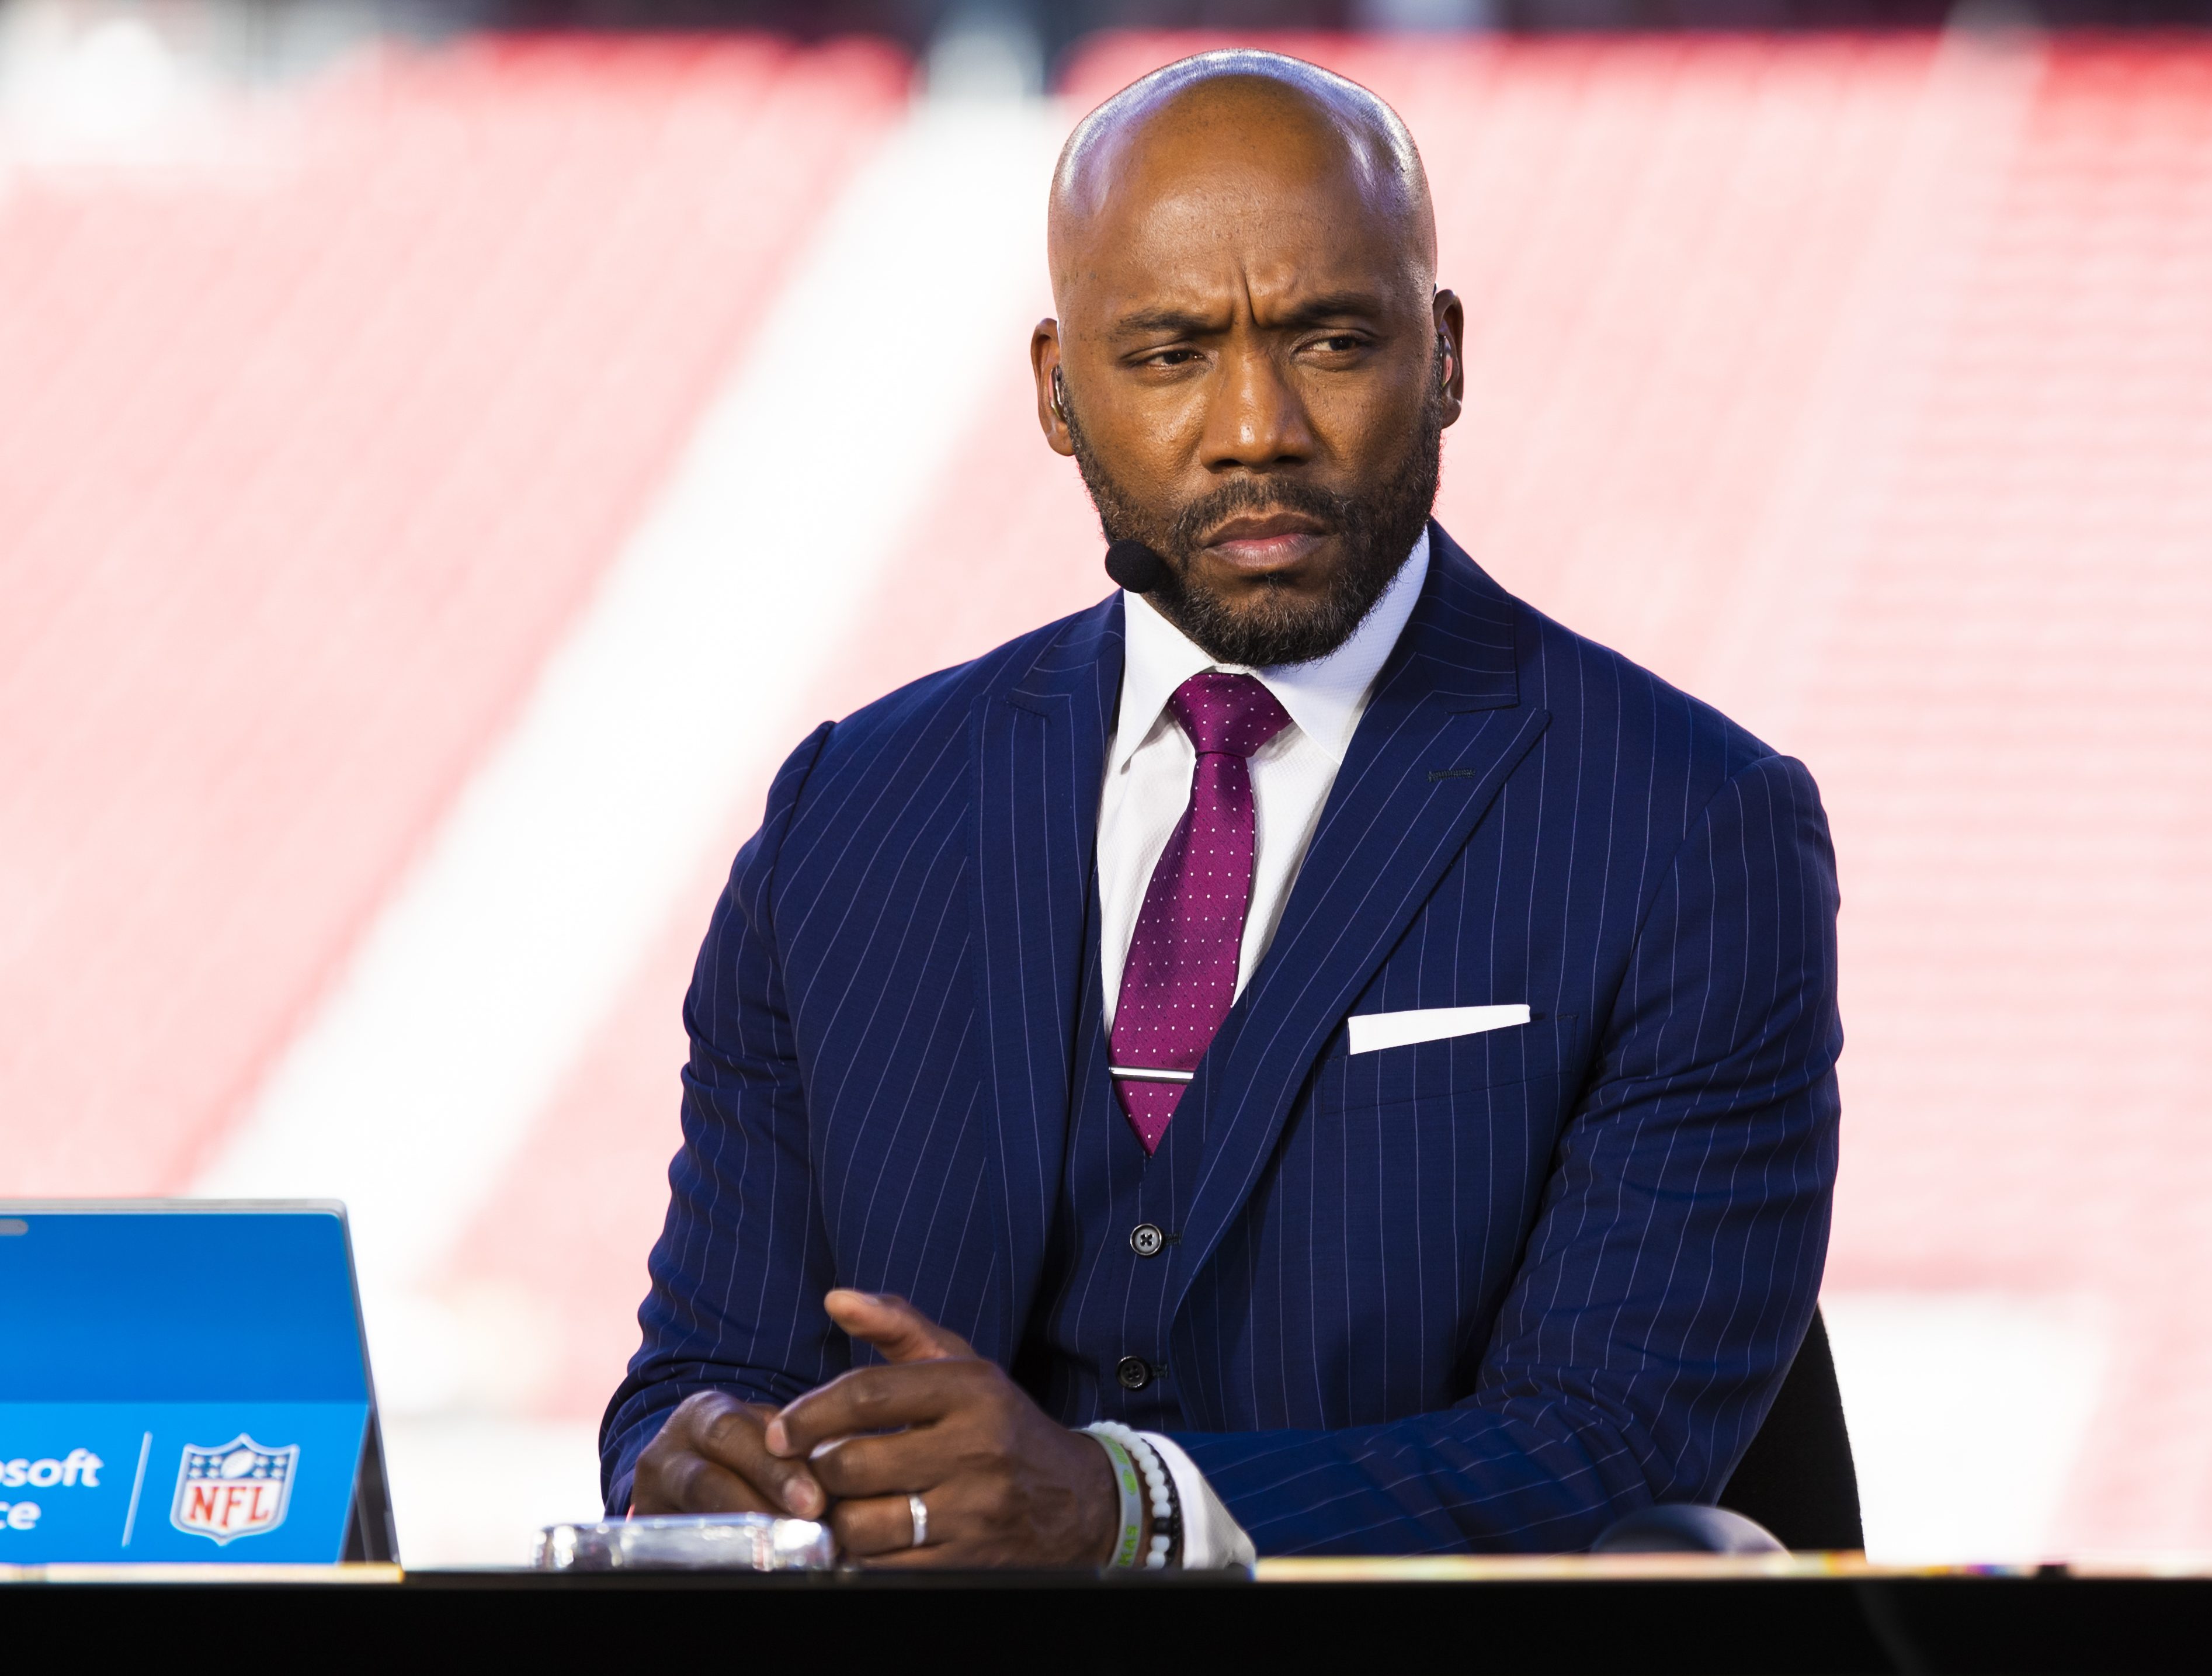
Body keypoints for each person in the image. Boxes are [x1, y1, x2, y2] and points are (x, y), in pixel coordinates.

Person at [599, 48, 1841, 1567]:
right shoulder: (843, 816)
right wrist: (710, 1465)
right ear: (1058, 393)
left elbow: (1613, 1441)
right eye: (1171, 354)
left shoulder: (1688, 829)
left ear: (1443, 354)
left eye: (1327, 340)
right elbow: (700, 1367)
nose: (1256, 426)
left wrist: (1131, 1512)